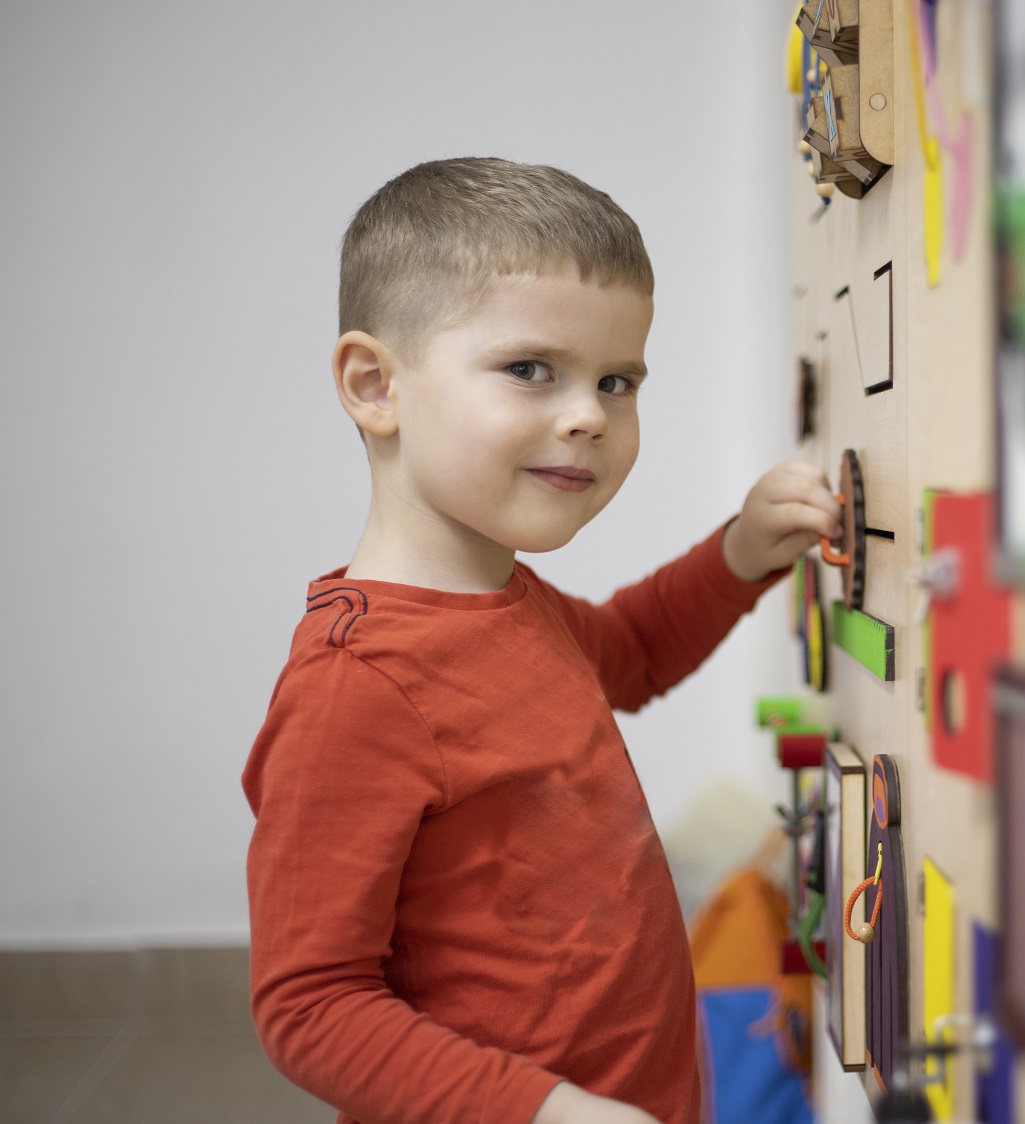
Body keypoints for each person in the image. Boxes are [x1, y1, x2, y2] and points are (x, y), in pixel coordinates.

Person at [242, 157, 841, 1124]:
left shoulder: (513, 599)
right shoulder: (356, 686)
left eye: (617, 381)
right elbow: (310, 1007)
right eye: (530, 370)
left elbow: (633, 653)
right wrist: (548, 1110)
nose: (587, 417)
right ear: (374, 385)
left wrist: (738, 551)